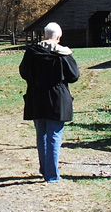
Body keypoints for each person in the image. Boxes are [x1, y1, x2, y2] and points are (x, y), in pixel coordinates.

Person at [19, 22, 80, 183]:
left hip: (36, 96)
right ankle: (52, 175)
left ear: (44, 35)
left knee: (42, 134)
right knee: (54, 136)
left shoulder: (32, 52)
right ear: (58, 37)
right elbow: (74, 76)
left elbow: (24, 72)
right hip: (57, 97)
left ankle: (45, 169)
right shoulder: (63, 54)